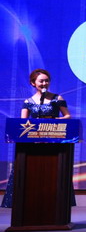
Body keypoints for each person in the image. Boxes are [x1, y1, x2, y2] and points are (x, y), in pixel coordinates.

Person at [3, 68, 72, 209]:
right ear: (33, 83)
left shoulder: (57, 98)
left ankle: (55, 202)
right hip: (33, 143)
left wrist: (55, 120)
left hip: (53, 141)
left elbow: (67, 116)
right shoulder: (28, 101)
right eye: (41, 81)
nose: (44, 83)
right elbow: (23, 123)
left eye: (47, 81)